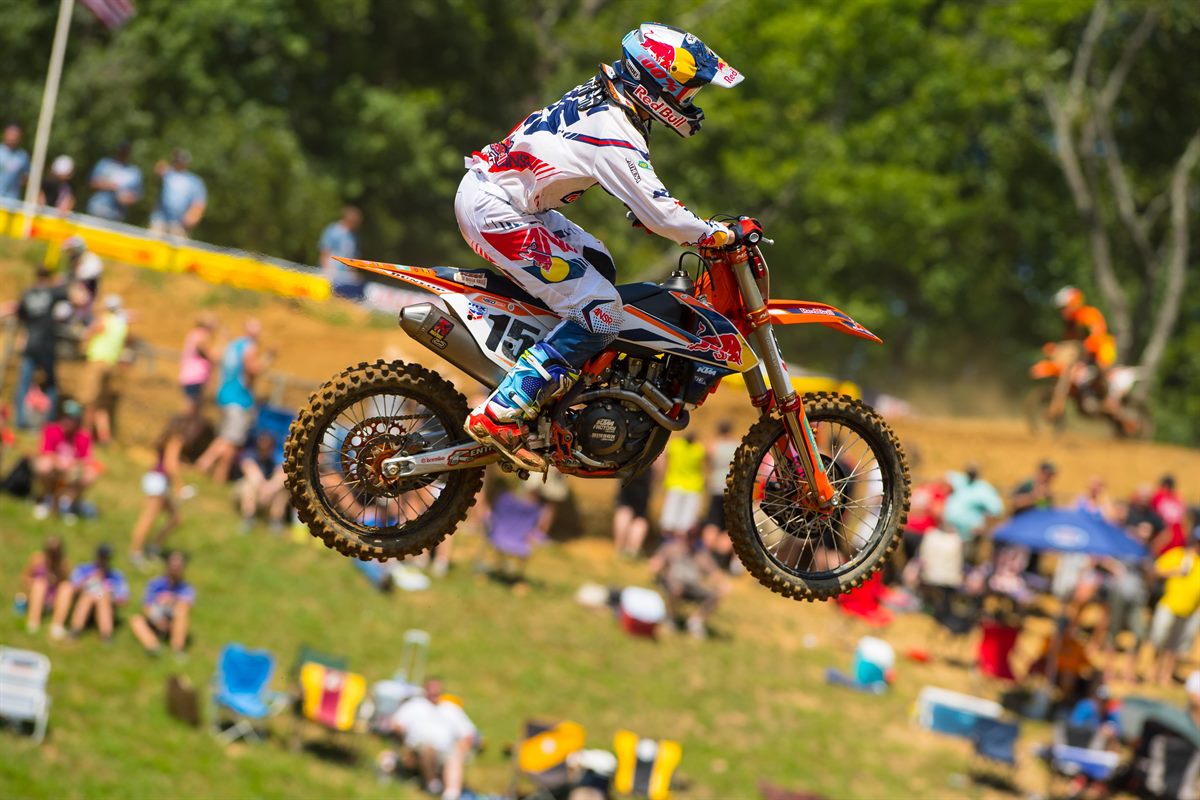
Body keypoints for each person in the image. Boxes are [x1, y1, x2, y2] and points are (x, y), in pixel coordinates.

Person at [458, 23, 750, 469]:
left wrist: (648, 208)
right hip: (498, 212)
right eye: (687, 93)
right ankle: (505, 409)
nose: (690, 104)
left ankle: (554, 374)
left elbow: (581, 160)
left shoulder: (607, 95)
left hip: (511, 201)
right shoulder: (616, 131)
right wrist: (714, 234)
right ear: (656, 86)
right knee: (602, 312)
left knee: (599, 265)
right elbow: (662, 212)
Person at [0, 266, 83, 428]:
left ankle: (20, 421)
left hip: (30, 343)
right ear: (49, 277)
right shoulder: (51, 292)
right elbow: (78, 299)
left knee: (23, 383)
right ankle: (49, 421)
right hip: (46, 345)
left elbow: (19, 313)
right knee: (51, 384)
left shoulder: (27, 293)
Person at [129, 413, 204, 569]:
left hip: (158, 480)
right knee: (148, 518)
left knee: (176, 518)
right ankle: (135, 553)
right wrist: (180, 487)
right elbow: (170, 465)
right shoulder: (176, 438)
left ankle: (153, 547)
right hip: (158, 481)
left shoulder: (170, 437)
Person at [384, 678, 478, 800]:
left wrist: (464, 744)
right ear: (425, 690)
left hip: (445, 750)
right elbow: (396, 724)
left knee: (455, 756)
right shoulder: (414, 705)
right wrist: (399, 732)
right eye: (431, 689)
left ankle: (451, 794)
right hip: (418, 747)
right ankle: (432, 785)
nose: (434, 692)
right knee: (428, 749)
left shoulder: (451, 708)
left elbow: (469, 732)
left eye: (437, 689)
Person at [195, 319, 265, 483]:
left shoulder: (233, 345)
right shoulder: (250, 347)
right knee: (230, 439)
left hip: (224, 395)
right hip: (238, 398)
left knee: (231, 442)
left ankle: (220, 477)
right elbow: (252, 370)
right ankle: (204, 463)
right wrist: (268, 359)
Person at [650, 532, 727, 639]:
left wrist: (723, 584)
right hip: (673, 583)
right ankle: (670, 618)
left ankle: (695, 622)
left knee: (715, 594)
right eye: (687, 537)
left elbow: (714, 572)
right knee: (677, 588)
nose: (689, 540)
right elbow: (656, 563)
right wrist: (657, 567)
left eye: (693, 538)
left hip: (692, 587)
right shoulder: (671, 548)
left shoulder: (700, 554)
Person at [1149, 527, 1200, 685]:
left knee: (1176, 646)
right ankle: (1152, 671)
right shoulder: (1178, 555)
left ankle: (1166, 675)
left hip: (1191, 611)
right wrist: (1175, 571)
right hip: (1169, 606)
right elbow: (1155, 570)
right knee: (1159, 640)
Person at [32, 400, 97, 523]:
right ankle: (47, 499)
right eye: (66, 416)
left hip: (72, 471)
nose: (68, 421)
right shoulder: (51, 430)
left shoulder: (83, 436)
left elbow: (87, 460)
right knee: (44, 465)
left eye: (72, 418)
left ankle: (68, 504)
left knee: (90, 474)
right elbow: (45, 452)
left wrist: (72, 465)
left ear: (78, 420)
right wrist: (59, 462)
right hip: (55, 468)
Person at [51, 544, 129, 642]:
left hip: (105, 603)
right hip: (84, 599)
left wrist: (109, 594)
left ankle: (105, 633)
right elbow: (73, 587)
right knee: (91, 593)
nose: (104, 561)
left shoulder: (116, 576)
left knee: (101, 594)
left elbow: (123, 600)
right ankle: (77, 628)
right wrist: (89, 581)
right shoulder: (83, 569)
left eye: (106, 558)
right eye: (102, 557)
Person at [79, 294, 129, 445]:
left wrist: (84, 343)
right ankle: (104, 436)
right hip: (112, 365)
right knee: (102, 403)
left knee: (89, 400)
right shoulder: (122, 324)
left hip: (97, 362)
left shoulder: (104, 319)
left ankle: (84, 434)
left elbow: (90, 332)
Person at [129, 551, 195, 657]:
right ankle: (153, 647)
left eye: (178, 566)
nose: (175, 568)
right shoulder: (154, 584)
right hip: (155, 618)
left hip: (173, 621)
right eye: (173, 565)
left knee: (181, 612)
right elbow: (146, 607)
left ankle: (177, 650)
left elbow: (187, 605)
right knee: (136, 620)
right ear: (167, 566)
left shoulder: (186, 588)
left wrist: (172, 599)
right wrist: (157, 618)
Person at [700, 421, 740, 569]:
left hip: (715, 488)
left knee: (712, 523)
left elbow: (707, 460)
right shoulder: (736, 446)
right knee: (728, 528)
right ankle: (719, 560)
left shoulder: (713, 445)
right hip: (731, 489)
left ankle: (704, 556)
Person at [942, 464, 1003, 560]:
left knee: (963, 561)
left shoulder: (984, 489)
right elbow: (946, 476)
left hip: (968, 536)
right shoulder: (961, 481)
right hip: (949, 532)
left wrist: (983, 527)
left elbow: (996, 510)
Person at [658, 432, 707, 540]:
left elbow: (663, 456)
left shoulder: (675, 445)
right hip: (693, 486)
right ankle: (680, 542)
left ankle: (667, 542)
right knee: (686, 523)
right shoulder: (698, 449)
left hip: (675, 484)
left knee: (669, 519)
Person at [237, 431, 289, 532]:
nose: (264, 446)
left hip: (266, 495)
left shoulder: (275, 459)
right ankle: (248, 518)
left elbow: (283, 473)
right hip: (243, 494)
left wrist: (270, 488)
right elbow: (252, 473)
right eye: (262, 443)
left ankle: (275, 520)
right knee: (249, 484)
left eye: (268, 445)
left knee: (283, 488)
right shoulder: (250, 455)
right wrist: (265, 487)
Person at [18, 537, 71, 634]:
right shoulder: (37, 559)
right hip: (36, 594)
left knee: (66, 587)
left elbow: (64, 582)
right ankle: (33, 622)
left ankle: (57, 625)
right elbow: (25, 578)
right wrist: (38, 582)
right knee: (40, 584)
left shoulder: (63, 564)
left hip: (53, 597)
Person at [150, 148, 206, 237]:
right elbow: (157, 172)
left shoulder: (194, 181)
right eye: (178, 159)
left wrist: (192, 217)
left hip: (180, 224)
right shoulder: (167, 173)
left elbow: (199, 203)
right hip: (160, 220)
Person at [86, 141, 143, 221]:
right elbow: (92, 183)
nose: (122, 153)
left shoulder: (134, 172)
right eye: (121, 150)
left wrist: (126, 199)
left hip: (117, 215)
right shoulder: (104, 164)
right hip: (97, 208)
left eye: (125, 151)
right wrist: (110, 186)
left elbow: (137, 196)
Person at [318, 205, 364, 300]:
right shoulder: (333, 230)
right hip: (331, 273)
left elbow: (352, 259)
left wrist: (353, 275)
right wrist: (328, 271)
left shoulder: (353, 236)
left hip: (344, 277)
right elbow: (324, 252)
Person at [60, 235, 104, 322]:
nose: (69, 254)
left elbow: (85, 277)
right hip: (72, 296)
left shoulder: (92, 260)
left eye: (71, 251)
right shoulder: (75, 261)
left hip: (84, 299)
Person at [613, 469, 653, 559]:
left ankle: (619, 549)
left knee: (624, 508)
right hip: (645, 471)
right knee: (640, 515)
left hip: (628, 469)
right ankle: (632, 551)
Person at [178, 314, 215, 410]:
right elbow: (208, 354)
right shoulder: (201, 336)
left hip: (189, 376)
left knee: (191, 405)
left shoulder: (193, 334)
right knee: (193, 408)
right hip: (195, 377)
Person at [1150, 474, 1187, 555]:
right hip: (1179, 533)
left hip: (1166, 532)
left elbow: (1152, 513)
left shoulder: (1158, 496)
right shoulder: (1179, 498)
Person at [0, 124, 29, 200]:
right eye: (10, 134)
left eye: (15, 135)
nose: (12, 138)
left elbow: (26, 177)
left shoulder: (23, 156)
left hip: (12, 200)